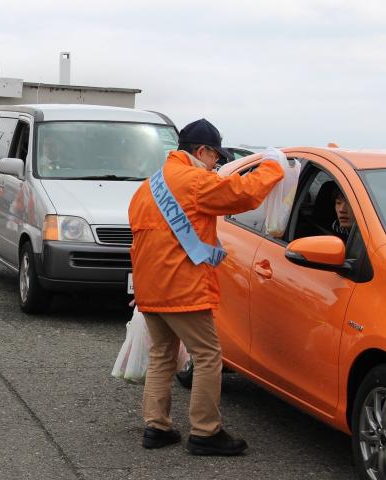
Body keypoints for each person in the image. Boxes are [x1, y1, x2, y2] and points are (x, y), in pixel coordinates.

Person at [128, 119, 285, 456]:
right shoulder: (195, 181)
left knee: (162, 357)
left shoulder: (147, 187)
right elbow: (244, 195)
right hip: (182, 290)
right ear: (201, 151)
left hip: (150, 291)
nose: (216, 165)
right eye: (215, 157)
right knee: (209, 356)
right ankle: (205, 431)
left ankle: (156, 427)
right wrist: (272, 165)